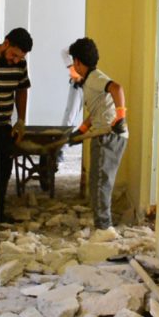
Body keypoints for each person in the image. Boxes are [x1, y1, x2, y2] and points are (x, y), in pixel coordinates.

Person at [67, 37, 128, 238]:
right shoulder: (90, 81)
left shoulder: (94, 78)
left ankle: (104, 228)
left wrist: (120, 117)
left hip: (109, 136)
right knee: (96, 181)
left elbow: (117, 88)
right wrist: (82, 130)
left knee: (101, 183)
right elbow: (98, 110)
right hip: (102, 133)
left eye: (72, 63)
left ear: (77, 62)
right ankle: (101, 225)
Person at [0, 27, 33, 222]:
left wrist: (21, 120)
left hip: (4, 125)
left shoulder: (20, 65)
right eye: (14, 55)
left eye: (20, 57)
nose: (16, 60)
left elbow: (22, 90)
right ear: (6, 43)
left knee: (3, 170)